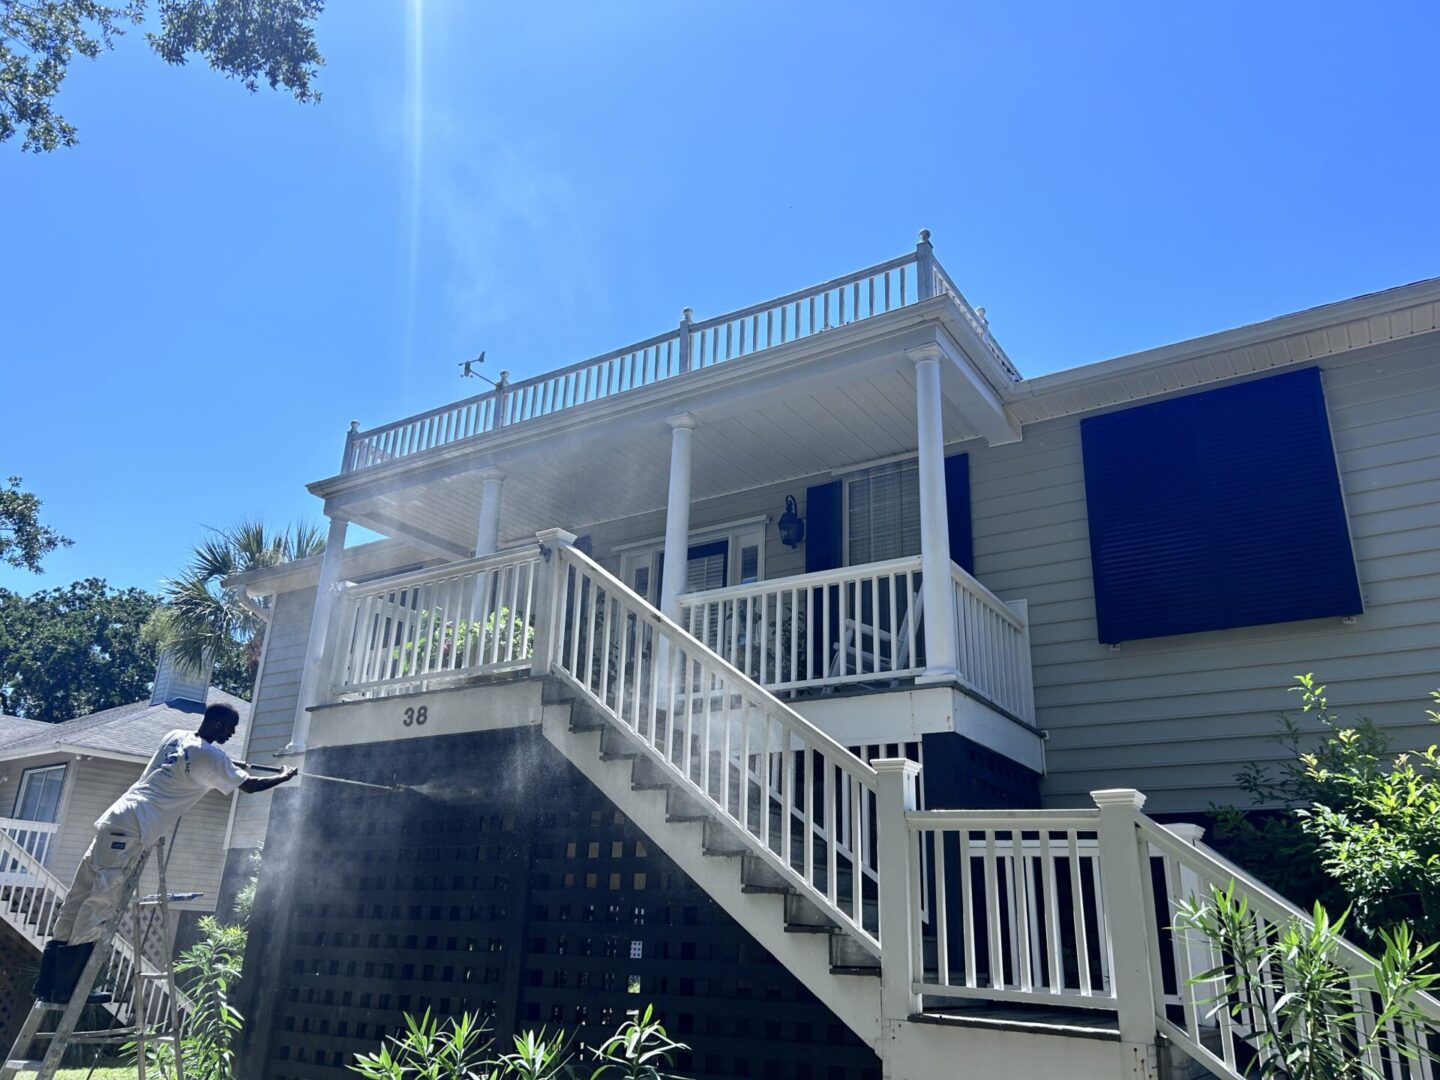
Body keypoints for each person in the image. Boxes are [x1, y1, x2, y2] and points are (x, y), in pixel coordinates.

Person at [33, 701, 297, 1004]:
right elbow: (249, 786)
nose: (232, 734)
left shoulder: (175, 736)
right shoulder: (212, 757)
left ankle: (48, 983)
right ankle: (68, 988)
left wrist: (228, 765)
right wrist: (285, 776)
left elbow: (193, 763)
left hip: (114, 820)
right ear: (218, 724)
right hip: (135, 828)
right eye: (230, 729)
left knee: (77, 897)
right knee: (98, 902)